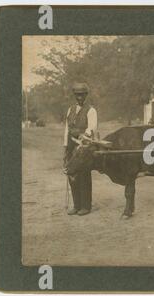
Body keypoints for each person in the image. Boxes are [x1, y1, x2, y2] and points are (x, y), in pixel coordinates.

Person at [63, 82, 98, 216]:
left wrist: (83, 137)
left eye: (82, 95)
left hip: (84, 146)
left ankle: (86, 206)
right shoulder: (70, 110)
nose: (79, 98)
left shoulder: (91, 110)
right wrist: (66, 146)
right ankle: (76, 205)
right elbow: (67, 129)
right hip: (72, 145)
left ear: (86, 95)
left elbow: (92, 128)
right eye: (77, 95)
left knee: (83, 175)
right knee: (72, 174)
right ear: (74, 96)